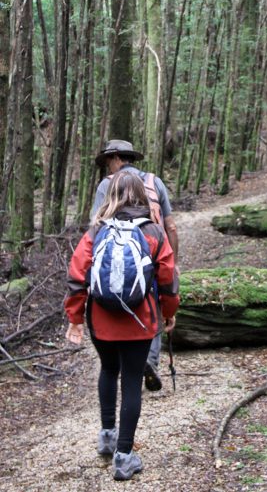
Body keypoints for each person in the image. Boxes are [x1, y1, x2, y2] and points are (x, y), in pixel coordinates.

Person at [65, 171, 179, 481]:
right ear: (142, 195)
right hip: (140, 322)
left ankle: (106, 437)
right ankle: (124, 457)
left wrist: (75, 319)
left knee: (107, 370)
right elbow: (168, 281)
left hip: (101, 322)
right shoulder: (154, 232)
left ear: (110, 195)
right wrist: (169, 313)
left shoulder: (96, 232)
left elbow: (77, 277)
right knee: (131, 380)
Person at [92, 139, 178, 391]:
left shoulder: (106, 185)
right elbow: (171, 225)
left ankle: (121, 360)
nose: (108, 168)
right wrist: (174, 262)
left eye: (108, 162)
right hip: (153, 249)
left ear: (117, 158)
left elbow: (95, 228)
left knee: (120, 298)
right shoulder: (155, 182)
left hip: (119, 257)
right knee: (154, 302)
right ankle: (148, 360)